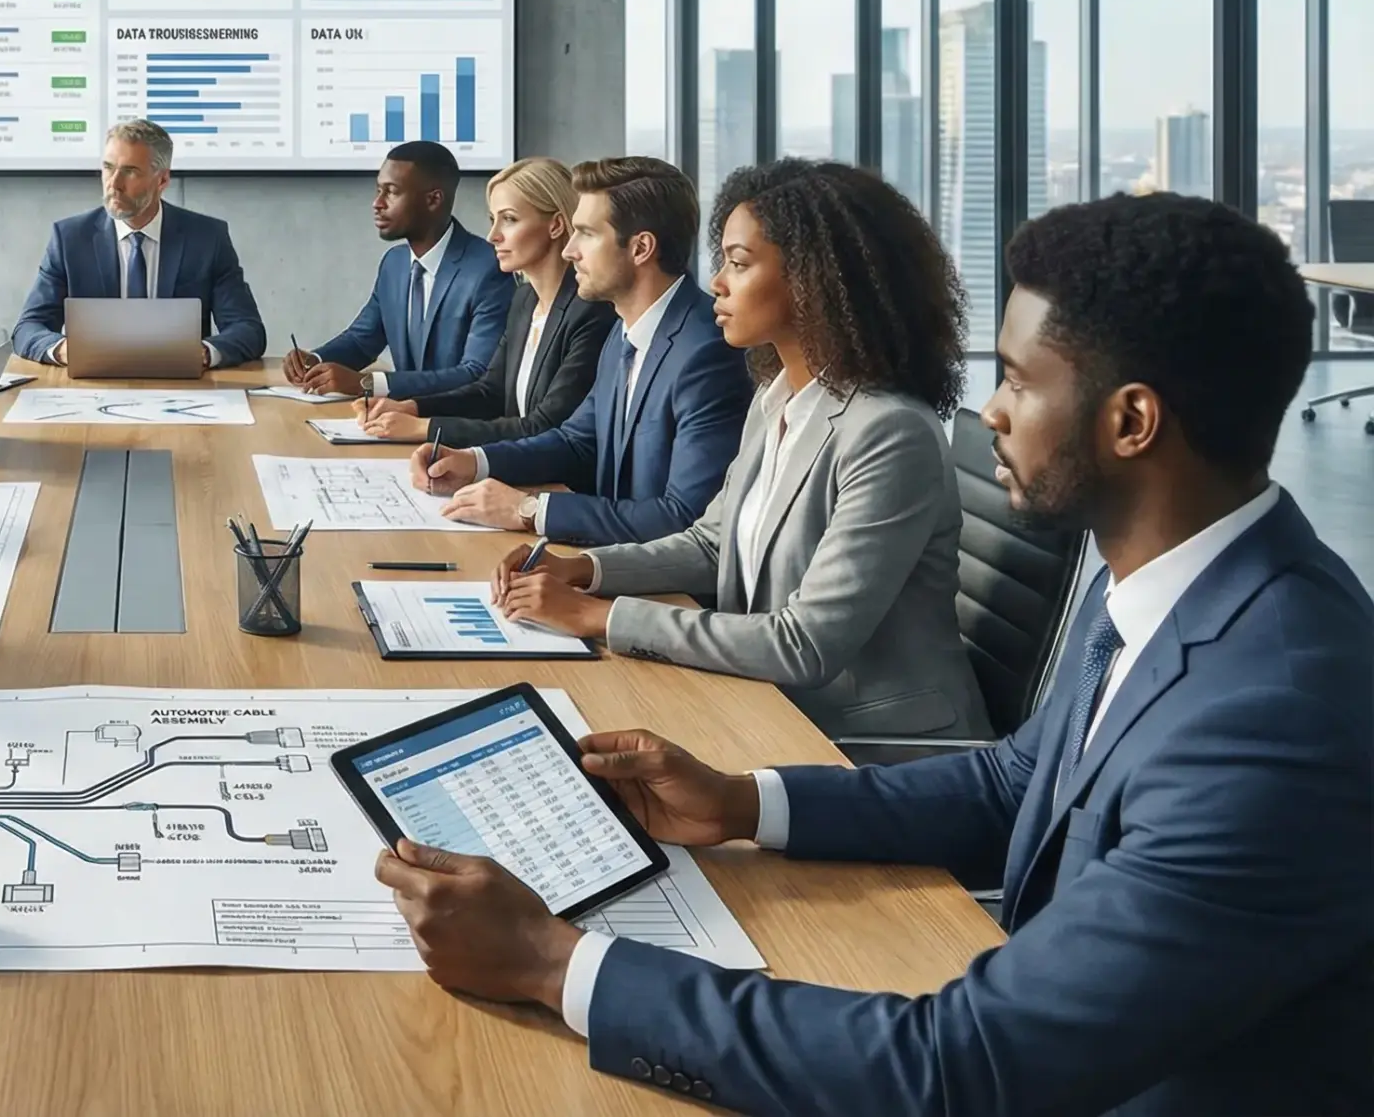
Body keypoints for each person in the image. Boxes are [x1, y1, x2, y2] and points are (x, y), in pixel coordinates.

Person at [376, 193, 1372, 1115]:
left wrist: (557, 965)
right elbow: (1014, 780)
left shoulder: (1274, 714)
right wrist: (739, 801)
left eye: (1018, 382)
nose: (987, 412)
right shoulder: (1173, 585)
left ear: (1130, 421)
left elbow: (959, 1065)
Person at [496, 160, 990, 740]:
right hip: (766, 705)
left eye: (738, 263)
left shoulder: (890, 432)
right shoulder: (777, 398)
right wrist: (586, 569)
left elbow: (803, 644)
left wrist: (598, 615)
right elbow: (712, 543)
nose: (719, 284)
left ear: (814, 279)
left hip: (870, 744)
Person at [412, 156, 749, 545]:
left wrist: (530, 510)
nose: (569, 251)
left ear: (641, 248)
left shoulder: (706, 352)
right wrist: (475, 462)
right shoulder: (625, 329)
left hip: (659, 590)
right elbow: (575, 440)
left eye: (586, 233)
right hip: (610, 562)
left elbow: (684, 518)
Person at [356, 156, 615, 446]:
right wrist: (412, 407)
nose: (493, 236)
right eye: (493, 220)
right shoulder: (525, 300)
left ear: (555, 226)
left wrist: (422, 428)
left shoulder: (592, 312)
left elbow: (544, 425)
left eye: (509, 219)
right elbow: (489, 392)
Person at [10, 118, 267, 368]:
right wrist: (64, 350)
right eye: (108, 167)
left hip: (183, 390)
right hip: (91, 387)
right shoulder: (70, 239)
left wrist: (202, 353)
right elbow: (28, 328)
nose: (114, 184)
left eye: (130, 171)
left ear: (162, 180)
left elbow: (248, 330)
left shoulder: (207, 238)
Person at [282, 140, 507, 401]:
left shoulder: (488, 269)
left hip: (454, 429)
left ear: (433, 199)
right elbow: (362, 340)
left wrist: (367, 383)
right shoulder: (394, 264)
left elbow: (476, 374)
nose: (377, 203)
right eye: (378, 190)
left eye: (391, 192)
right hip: (399, 422)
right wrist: (314, 360)